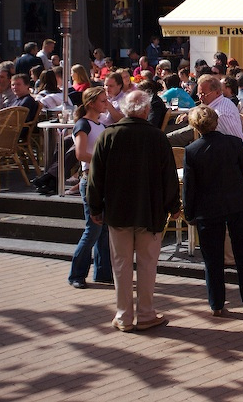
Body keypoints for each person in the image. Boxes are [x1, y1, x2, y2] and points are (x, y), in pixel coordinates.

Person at [87, 89, 180, 332]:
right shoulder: (157, 138)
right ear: (147, 110)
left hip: (118, 211)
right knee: (148, 264)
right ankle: (146, 313)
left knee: (121, 264)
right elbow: (169, 177)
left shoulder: (109, 136)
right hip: (149, 212)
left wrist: (95, 207)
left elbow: (95, 178)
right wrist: (174, 206)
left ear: (126, 110)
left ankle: (124, 315)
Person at [183, 105, 243, 316]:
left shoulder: (192, 151)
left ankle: (216, 303)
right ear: (216, 122)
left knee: (212, 258)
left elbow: (189, 186)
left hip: (208, 208)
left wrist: (188, 212)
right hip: (237, 203)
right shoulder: (234, 143)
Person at [66, 87, 113, 286]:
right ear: (92, 103)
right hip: (91, 178)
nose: (106, 103)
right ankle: (77, 274)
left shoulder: (100, 124)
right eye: (103, 101)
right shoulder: (83, 124)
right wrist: (104, 161)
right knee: (93, 228)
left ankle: (103, 273)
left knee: (103, 229)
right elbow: (80, 153)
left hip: (102, 178)